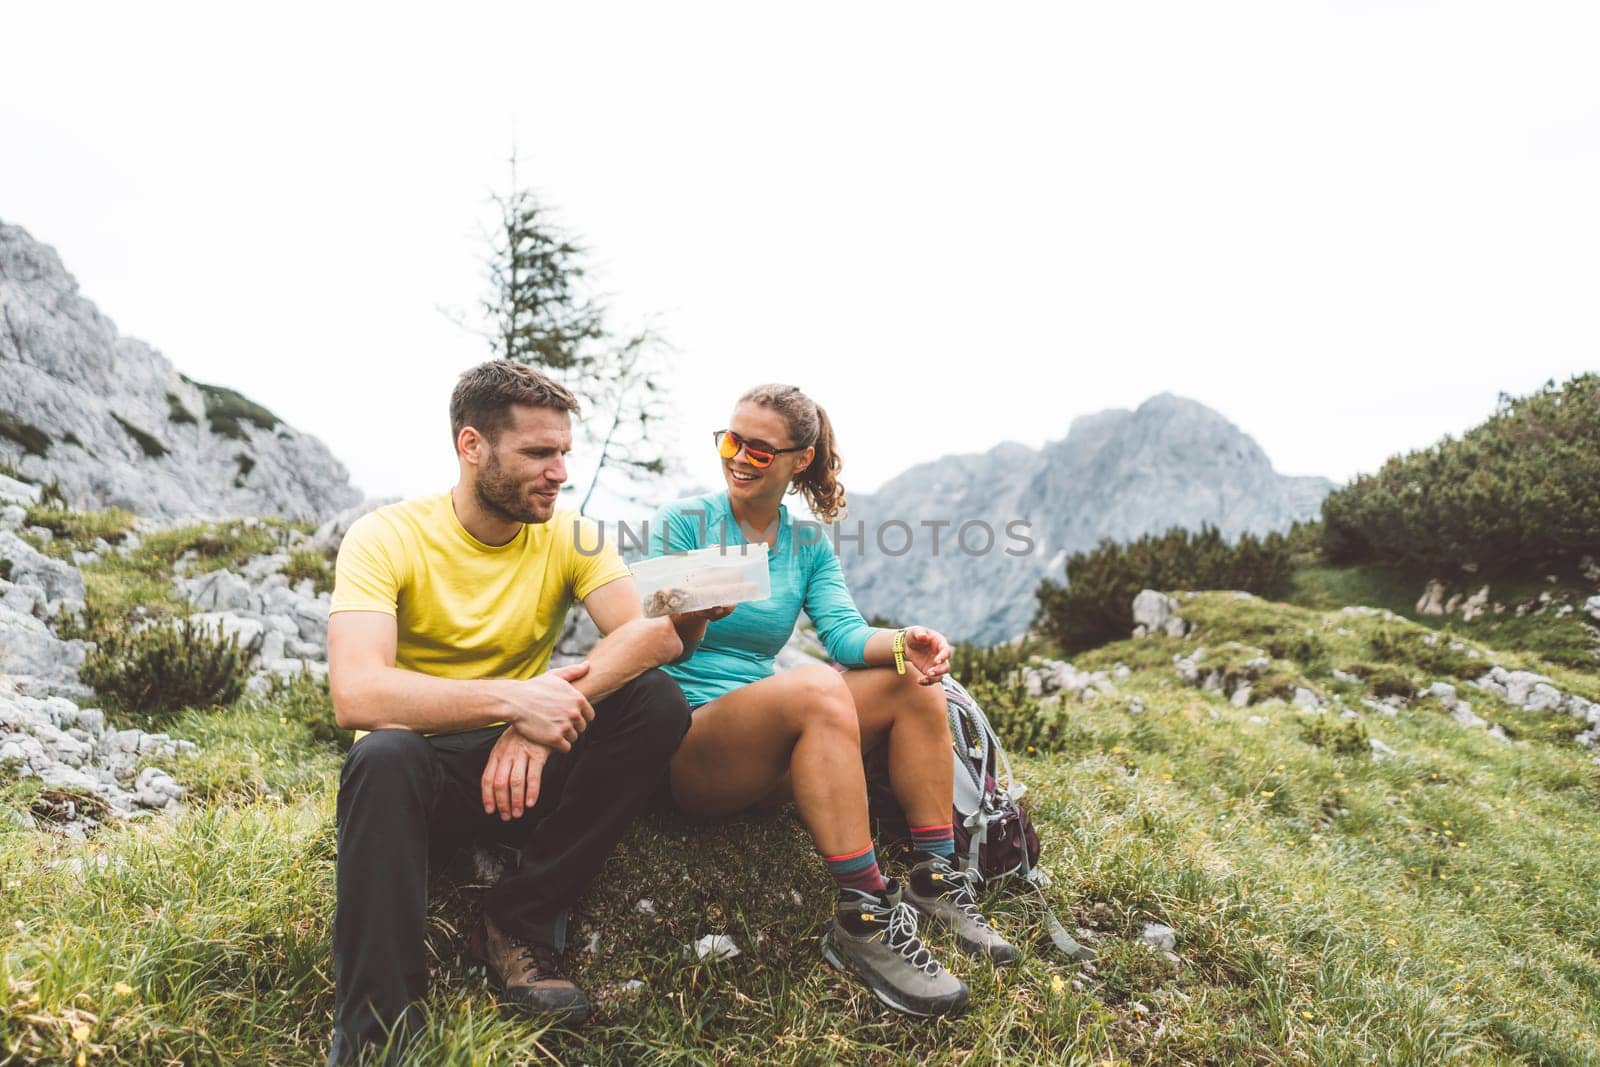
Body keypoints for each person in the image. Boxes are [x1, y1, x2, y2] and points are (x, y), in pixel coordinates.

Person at [324, 361, 723, 1064]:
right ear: (472, 446)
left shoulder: (572, 534)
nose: (560, 470)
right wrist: (515, 699)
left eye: (565, 451)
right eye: (539, 452)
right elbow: (357, 693)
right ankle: (378, 1038)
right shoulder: (384, 537)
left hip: (525, 777)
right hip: (419, 785)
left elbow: (650, 634)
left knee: (654, 702)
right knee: (383, 752)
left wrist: (534, 724)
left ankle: (518, 919)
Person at [647, 384, 1020, 1020]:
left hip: (775, 748)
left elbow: (845, 636)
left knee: (910, 678)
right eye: (730, 441)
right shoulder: (685, 522)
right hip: (694, 746)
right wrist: (693, 610)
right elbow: (645, 632)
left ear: (800, 459)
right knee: (816, 687)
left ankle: (935, 878)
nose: (738, 457)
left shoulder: (806, 544)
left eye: (759, 450)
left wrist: (905, 642)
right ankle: (865, 914)